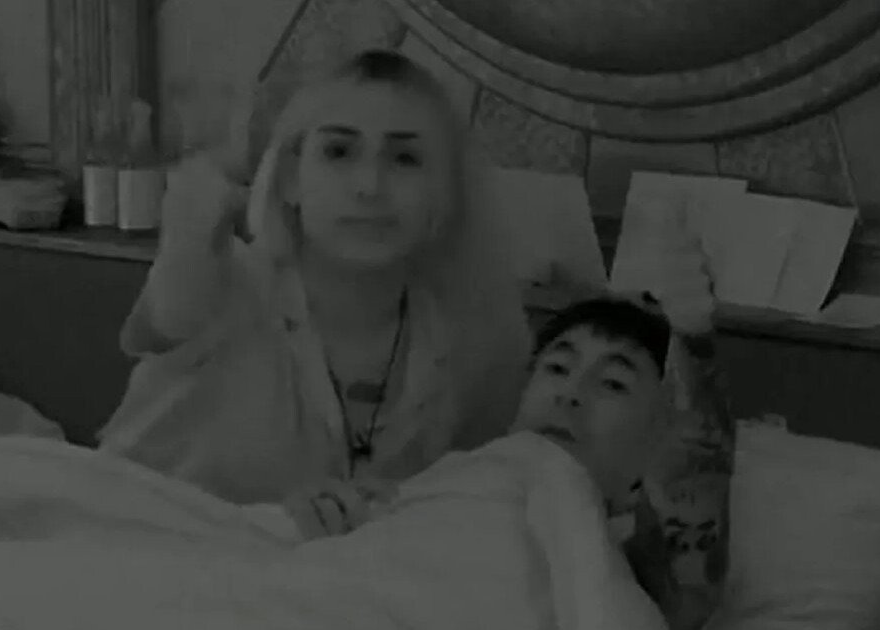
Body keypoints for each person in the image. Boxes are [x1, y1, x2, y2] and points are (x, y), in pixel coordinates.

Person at [96, 49, 534, 504]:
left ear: (445, 192)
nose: (369, 186)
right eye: (338, 151)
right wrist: (188, 235)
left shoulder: (467, 346)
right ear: (290, 177)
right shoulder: (225, 282)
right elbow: (168, 318)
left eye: (405, 159)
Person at [286, 291, 735, 630]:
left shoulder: (613, 543)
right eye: (557, 368)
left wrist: (693, 343)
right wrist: (326, 518)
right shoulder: (444, 480)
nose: (570, 394)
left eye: (614, 384)